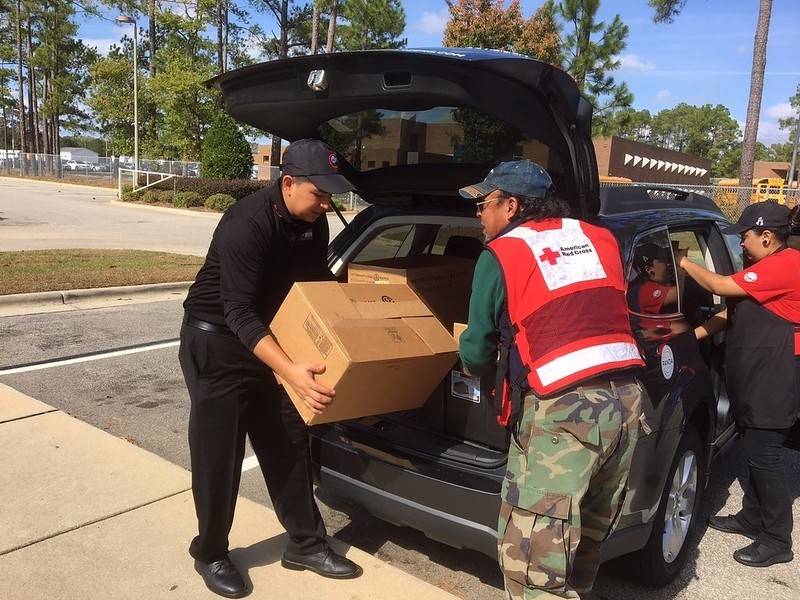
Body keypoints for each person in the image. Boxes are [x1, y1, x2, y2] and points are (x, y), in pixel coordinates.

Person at [179, 139, 362, 598]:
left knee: (287, 440)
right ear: (288, 182)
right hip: (217, 341)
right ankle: (211, 551)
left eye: (330, 195)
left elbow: (312, 286)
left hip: (271, 340)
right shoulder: (247, 222)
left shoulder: (312, 222)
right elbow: (238, 311)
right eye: (319, 193)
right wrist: (292, 371)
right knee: (218, 453)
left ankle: (305, 543)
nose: (327, 203)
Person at [457, 159, 645, 599]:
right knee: (583, 543)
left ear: (511, 205)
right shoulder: (600, 238)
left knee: (533, 565)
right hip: (627, 403)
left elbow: (478, 348)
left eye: (484, 203)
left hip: (564, 415)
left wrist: (469, 367)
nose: (479, 215)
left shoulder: (502, 252)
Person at [679, 200, 800, 568]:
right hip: (755, 373)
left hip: (776, 376)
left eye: (745, 237)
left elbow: (718, 284)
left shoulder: (787, 266)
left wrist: (682, 261)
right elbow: (728, 312)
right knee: (752, 447)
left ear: (767, 236)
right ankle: (752, 517)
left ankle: (777, 538)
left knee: (766, 456)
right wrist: (691, 337)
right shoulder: (763, 264)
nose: (741, 244)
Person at [627, 243, 680, 314]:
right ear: (649, 270)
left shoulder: (664, 282)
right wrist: (685, 265)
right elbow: (681, 294)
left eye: (669, 259)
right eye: (663, 260)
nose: (669, 264)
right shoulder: (645, 290)